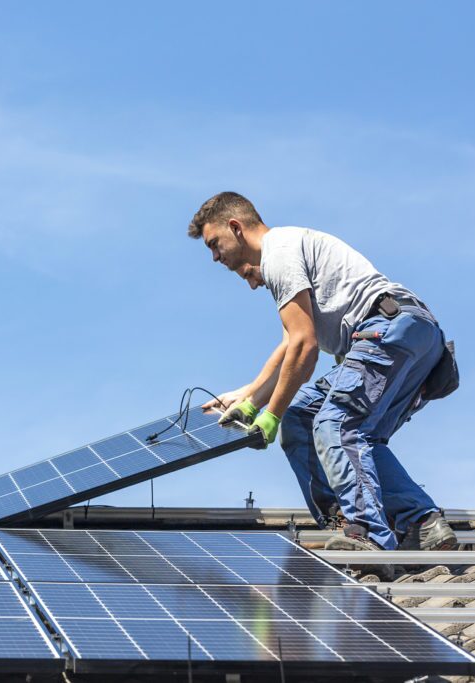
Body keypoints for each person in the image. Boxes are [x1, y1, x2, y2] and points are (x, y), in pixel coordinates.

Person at [189, 191, 456, 552]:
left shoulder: (277, 253)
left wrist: (269, 417)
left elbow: (305, 348)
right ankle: (422, 521)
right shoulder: (290, 249)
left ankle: (364, 533)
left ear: (235, 227)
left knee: (335, 424)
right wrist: (248, 395)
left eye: (214, 244)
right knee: (305, 419)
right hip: (412, 336)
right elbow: (289, 346)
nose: (215, 256)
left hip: (384, 332)